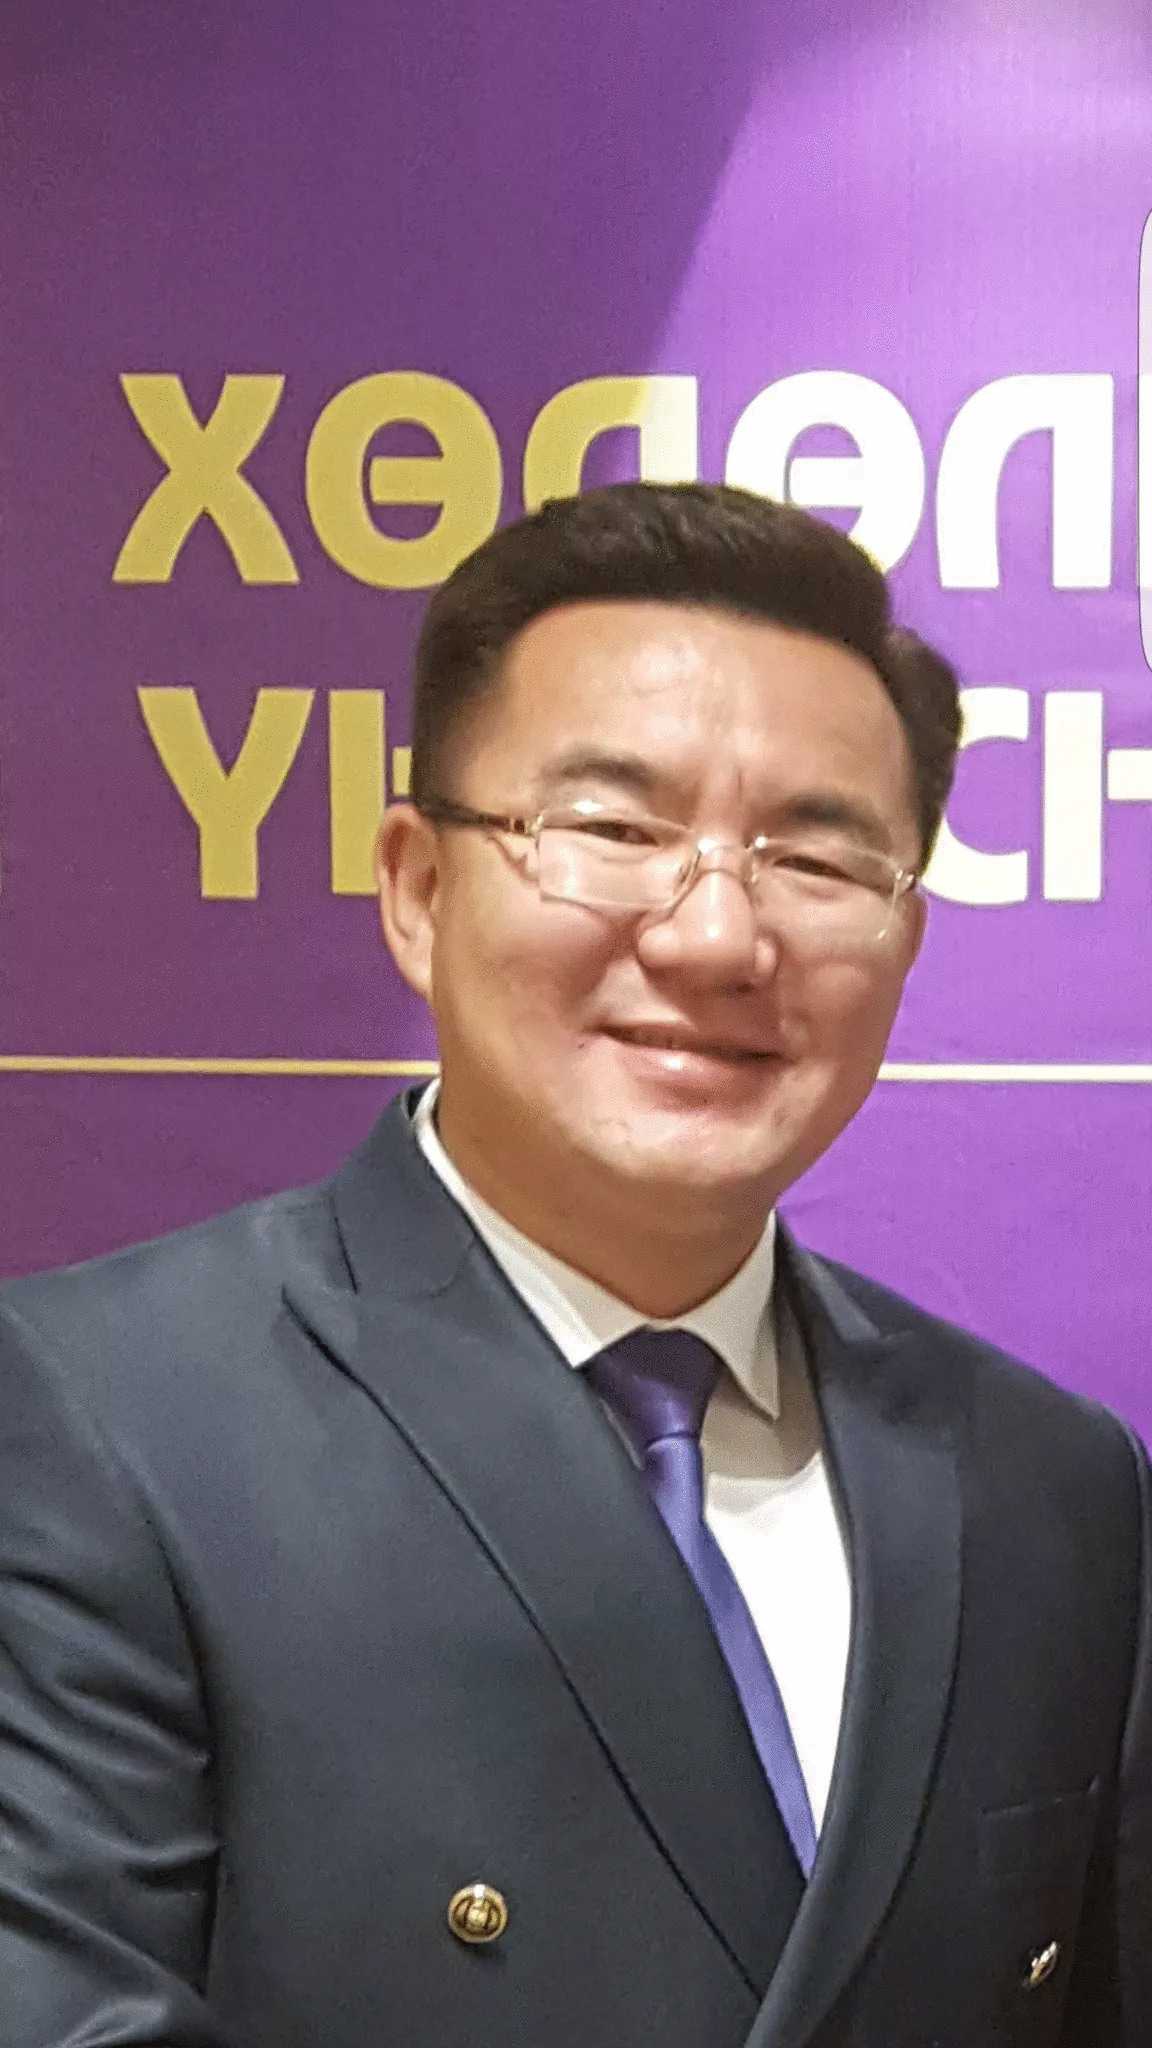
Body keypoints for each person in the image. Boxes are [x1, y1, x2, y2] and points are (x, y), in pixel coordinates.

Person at [0, 483, 1147, 2048]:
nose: (716, 936)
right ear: (418, 886)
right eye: (613, 831)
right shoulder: (97, 1418)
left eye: (818, 860)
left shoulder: (1051, 1485)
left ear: (907, 936)